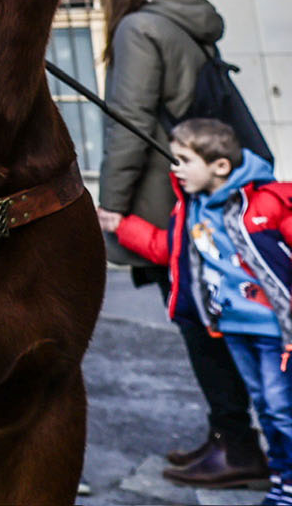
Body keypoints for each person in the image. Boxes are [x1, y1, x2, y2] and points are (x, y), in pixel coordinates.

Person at [96, 0, 269, 487]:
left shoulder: (138, 28)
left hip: (172, 206)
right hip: (211, 199)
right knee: (217, 322)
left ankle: (238, 446)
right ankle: (230, 437)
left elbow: (130, 123)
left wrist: (111, 208)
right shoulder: (188, 20)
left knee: (202, 325)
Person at [102, 118, 292, 506]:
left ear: (219, 166)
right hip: (234, 329)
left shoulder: (268, 200)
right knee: (266, 408)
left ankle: (287, 486)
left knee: (281, 407)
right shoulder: (190, 212)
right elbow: (164, 249)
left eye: (185, 160)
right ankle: (281, 479)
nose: (176, 169)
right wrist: (123, 225)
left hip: (276, 331)